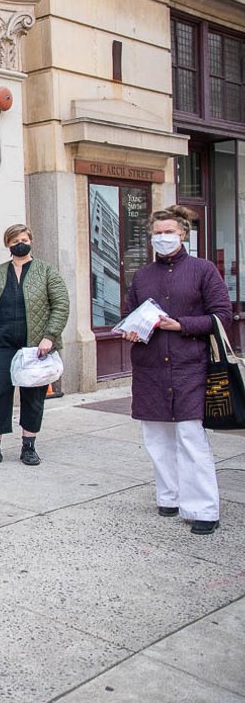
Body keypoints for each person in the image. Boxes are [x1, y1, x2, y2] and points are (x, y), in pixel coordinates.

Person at [121, 205, 231, 535]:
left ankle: (203, 509)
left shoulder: (203, 269)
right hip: (150, 367)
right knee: (156, 438)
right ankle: (168, 496)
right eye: (158, 233)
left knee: (190, 438)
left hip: (189, 367)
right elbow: (129, 313)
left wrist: (179, 325)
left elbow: (221, 316)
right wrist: (129, 328)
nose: (163, 238)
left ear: (183, 234)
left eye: (169, 232)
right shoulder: (142, 276)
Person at [0, 224, 70, 466]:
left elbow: (61, 304)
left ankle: (29, 446)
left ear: (31, 241)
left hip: (35, 345)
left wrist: (50, 335)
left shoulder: (46, 271)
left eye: (24, 239)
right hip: (1, 343)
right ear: (8, 244)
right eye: (15, 241)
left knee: (33, 395)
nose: (20, 244)